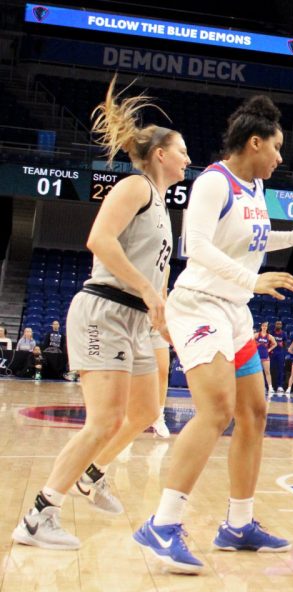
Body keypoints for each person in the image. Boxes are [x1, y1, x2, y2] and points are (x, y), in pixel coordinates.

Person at [133, 94, 293, 574]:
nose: (281, 158)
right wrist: (252, 280)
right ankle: (163, 524)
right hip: (199, 305)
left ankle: (238, 524)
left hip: (235, 312)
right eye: (277, 148)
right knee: (217, 409)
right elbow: (196, 246)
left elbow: (255, 240)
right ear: (254, 143)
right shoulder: (212, 182)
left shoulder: (256, 190)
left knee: (254, 412)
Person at [12, 77, 187, 549]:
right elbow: (99, 241)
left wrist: (161, 310)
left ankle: (92, 475)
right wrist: (149, 292)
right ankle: (37, 516)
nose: (188, 159)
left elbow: (159, 272)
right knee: (103, 421)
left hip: (136, 320)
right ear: (159, 155)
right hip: (104, 311)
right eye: (182, 150)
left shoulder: (164, 207)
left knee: (149, 410)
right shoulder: (134, 186)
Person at [255, 322, 277, 394]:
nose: (264, 327)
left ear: (267, 327)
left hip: (265, 356)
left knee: (267, 372)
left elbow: (275, 344)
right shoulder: (256, 335)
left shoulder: (269, 336)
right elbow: (250, 342)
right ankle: (261, 387)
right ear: (261, 327)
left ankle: (270, 387)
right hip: (257, 356)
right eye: (263, 326)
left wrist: (269, 349)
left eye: (266, 326)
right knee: (259, 373)